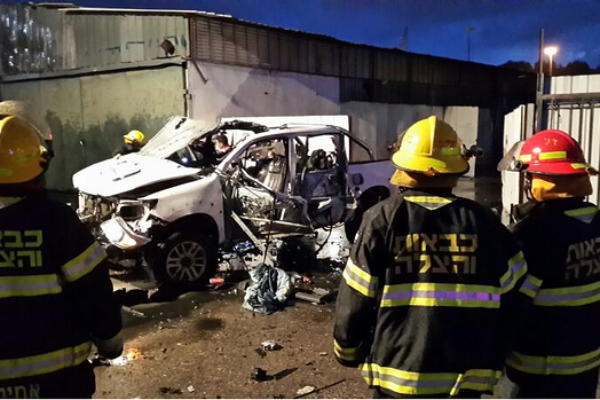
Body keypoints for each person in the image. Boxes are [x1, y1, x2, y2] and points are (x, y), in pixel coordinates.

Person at [334, 116, 536, 398]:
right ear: (455, 169)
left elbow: (356, 298)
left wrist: (347, 350)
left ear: (405, 167)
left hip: (397, 380)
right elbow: (517, 294)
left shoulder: (381, 219)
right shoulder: (485, 223)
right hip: (465, 380)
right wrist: (497, 350)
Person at [0, 115, 123, 398]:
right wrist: (111, 343)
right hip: (59, 384)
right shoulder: (56, 221)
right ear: (38, 169)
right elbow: (94, 291)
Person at [498, 129, 600, 398]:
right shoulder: (597, 222)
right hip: (587, 363)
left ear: (543, 180)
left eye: (530, 176)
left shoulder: (535, 233)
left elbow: (511, 303)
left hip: (536, 370)